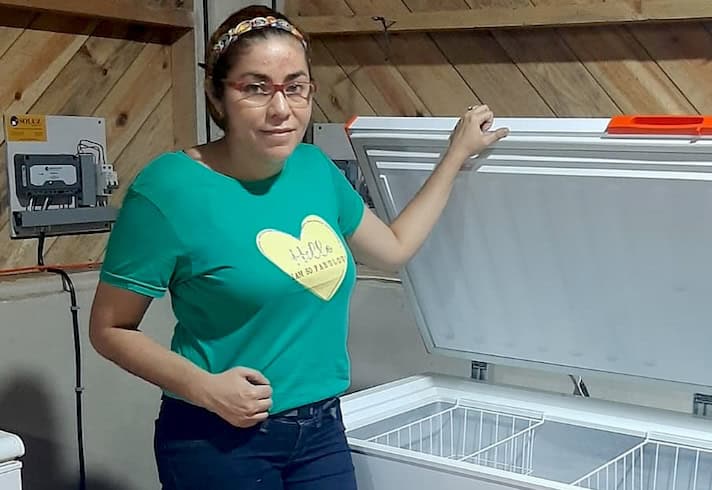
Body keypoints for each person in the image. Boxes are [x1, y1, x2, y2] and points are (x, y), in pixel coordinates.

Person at [87, 5, 508, 490]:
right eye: (256, 87)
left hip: (321, 428)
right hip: (218, 438)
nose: (281, 108)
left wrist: (453, 155)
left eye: (295, 85)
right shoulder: (168, 190)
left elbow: (393, 248)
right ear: (217, 95)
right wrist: (205, 388)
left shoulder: (314, 169)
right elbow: (110, 328)